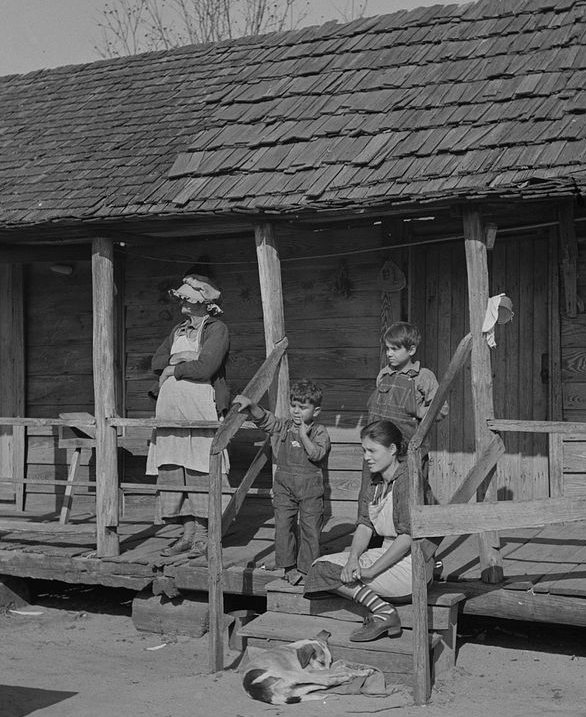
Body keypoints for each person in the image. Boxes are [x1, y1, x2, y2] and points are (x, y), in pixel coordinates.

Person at [304, 420, 435, 643]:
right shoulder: (376, 483)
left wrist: (371, 571)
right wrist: (353, 559)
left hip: (411, 563)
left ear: (392, 449)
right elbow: (365, 525)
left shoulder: (408, 481)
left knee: (330, 574)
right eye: (364, 451)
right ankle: (383, 609)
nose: (366, 457)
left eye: (372, 451)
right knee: (319, 568)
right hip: (385, 553)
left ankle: (384, 613)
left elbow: (407, 537)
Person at [146, 270, 230, 559]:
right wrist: (180, 359)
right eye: (182, 298)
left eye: (189, 299)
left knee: (200, 470)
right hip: (169, 412)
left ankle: (204, 537)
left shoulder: (217, 329)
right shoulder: (178, 330)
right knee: (174, 471)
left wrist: (174, 369)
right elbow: (156, 362)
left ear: (203, 302)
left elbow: (206, 367)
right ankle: (187, 534)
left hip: (200, 410)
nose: (183, 302)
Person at [232, 380, 331, 586]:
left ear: (316, 410)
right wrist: (252, 406)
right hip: (284, 487)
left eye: (302, 407)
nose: (296, 411)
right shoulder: (285, 426)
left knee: (310, 529)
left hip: (310, 489)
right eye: (293, 405)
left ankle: (307, 569)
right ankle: (288, 567)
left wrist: (303, 436)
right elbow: (267, 421)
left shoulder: (319, 432)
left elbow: (317, 454)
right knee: (284, 526)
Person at [358, 320, 447, 526]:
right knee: (370, 495)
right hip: (377, 450)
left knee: (409, 497)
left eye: (395, 349)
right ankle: (372, 537)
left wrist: (418, 411)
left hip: (407, 453)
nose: (389, 354)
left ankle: (416, 538)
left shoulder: (423, 377)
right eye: (387, 349)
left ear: (411, 350)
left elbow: (441, 409)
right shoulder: (384, 374)